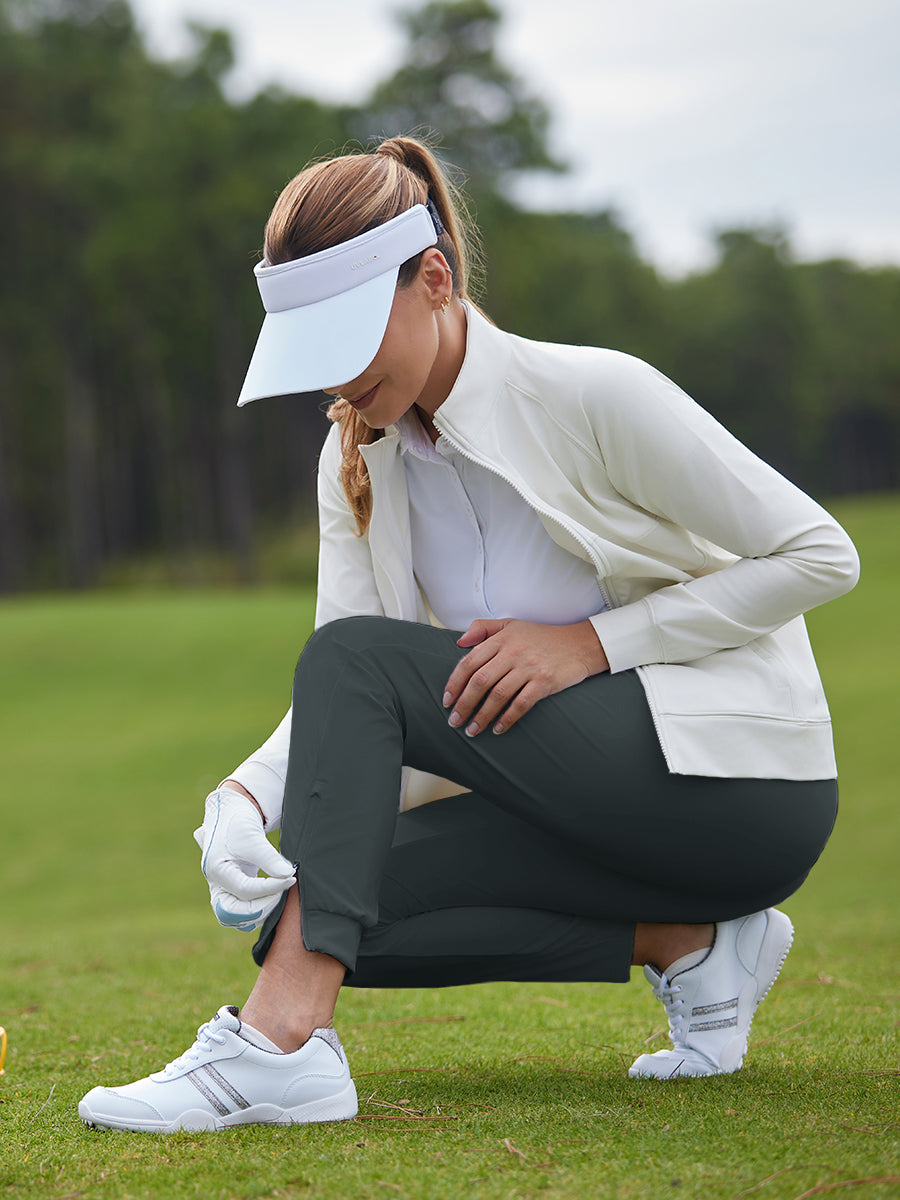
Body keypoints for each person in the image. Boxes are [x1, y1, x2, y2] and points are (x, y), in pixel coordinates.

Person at [79, 137, 859, 1133]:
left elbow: (820, 554)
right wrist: (241, 797)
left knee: (350, 715)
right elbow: (344, 703)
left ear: (435, 281)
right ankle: (691, 944)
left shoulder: (593, 393)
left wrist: (592, 644)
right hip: (582, 820)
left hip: (744, 793)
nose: (336, 379)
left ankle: (281, 1047)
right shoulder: (355, 460)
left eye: (348, 338)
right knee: (314, 915)